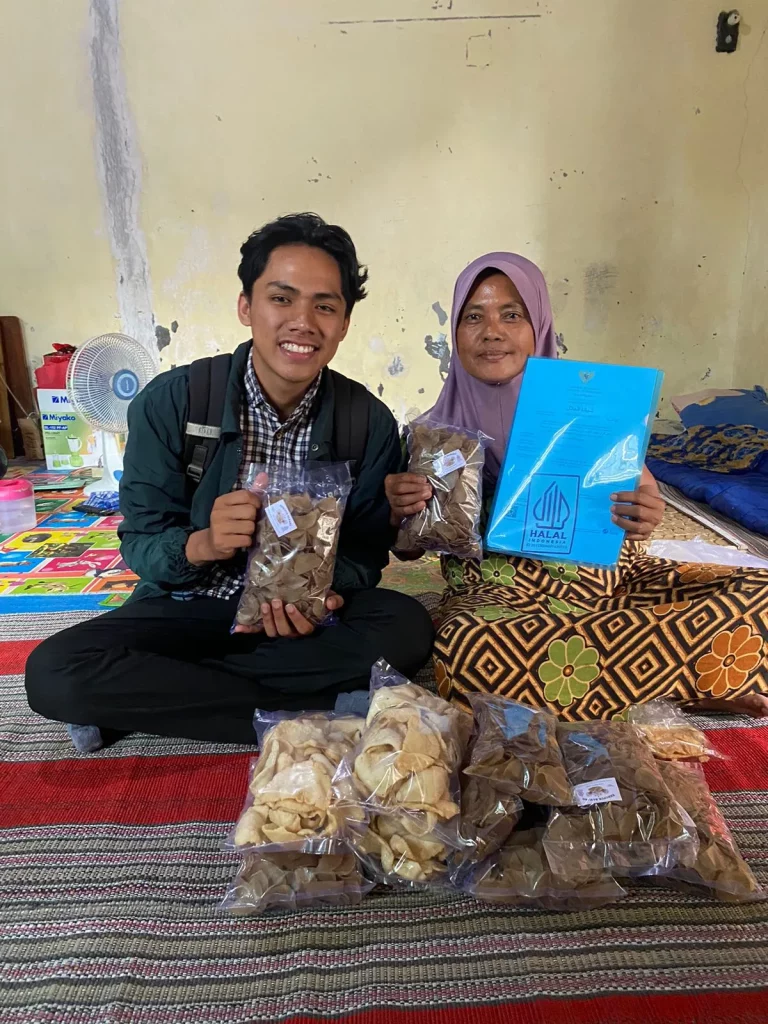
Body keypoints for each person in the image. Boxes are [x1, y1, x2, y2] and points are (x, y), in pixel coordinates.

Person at [25, 213, 434, 749]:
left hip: (303, 621)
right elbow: (142, 543)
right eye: (282, 299)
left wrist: (321, 595)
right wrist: (204, 543)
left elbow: (364, 552)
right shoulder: (174, 402)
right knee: (54, 671)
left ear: (344, 322)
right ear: (246, 306)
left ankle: (160, 699)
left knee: (407, 626)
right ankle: (314, 713)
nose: (303, 321)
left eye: (325, 305)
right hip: (185, 609)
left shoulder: (367, 421)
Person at [385, 252, 768, 719]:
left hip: (612, 585)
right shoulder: (434, 432)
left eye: (512, 314)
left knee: (759, 592)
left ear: (539, 324)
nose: (492, 332)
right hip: (503, 601)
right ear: (455, 333)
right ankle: (685, 676)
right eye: (473, 317)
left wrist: (646, 513)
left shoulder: (592, 406)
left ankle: (624, 674)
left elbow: (640, 504)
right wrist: (398, 511)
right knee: (465, 646)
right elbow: (406, 550)